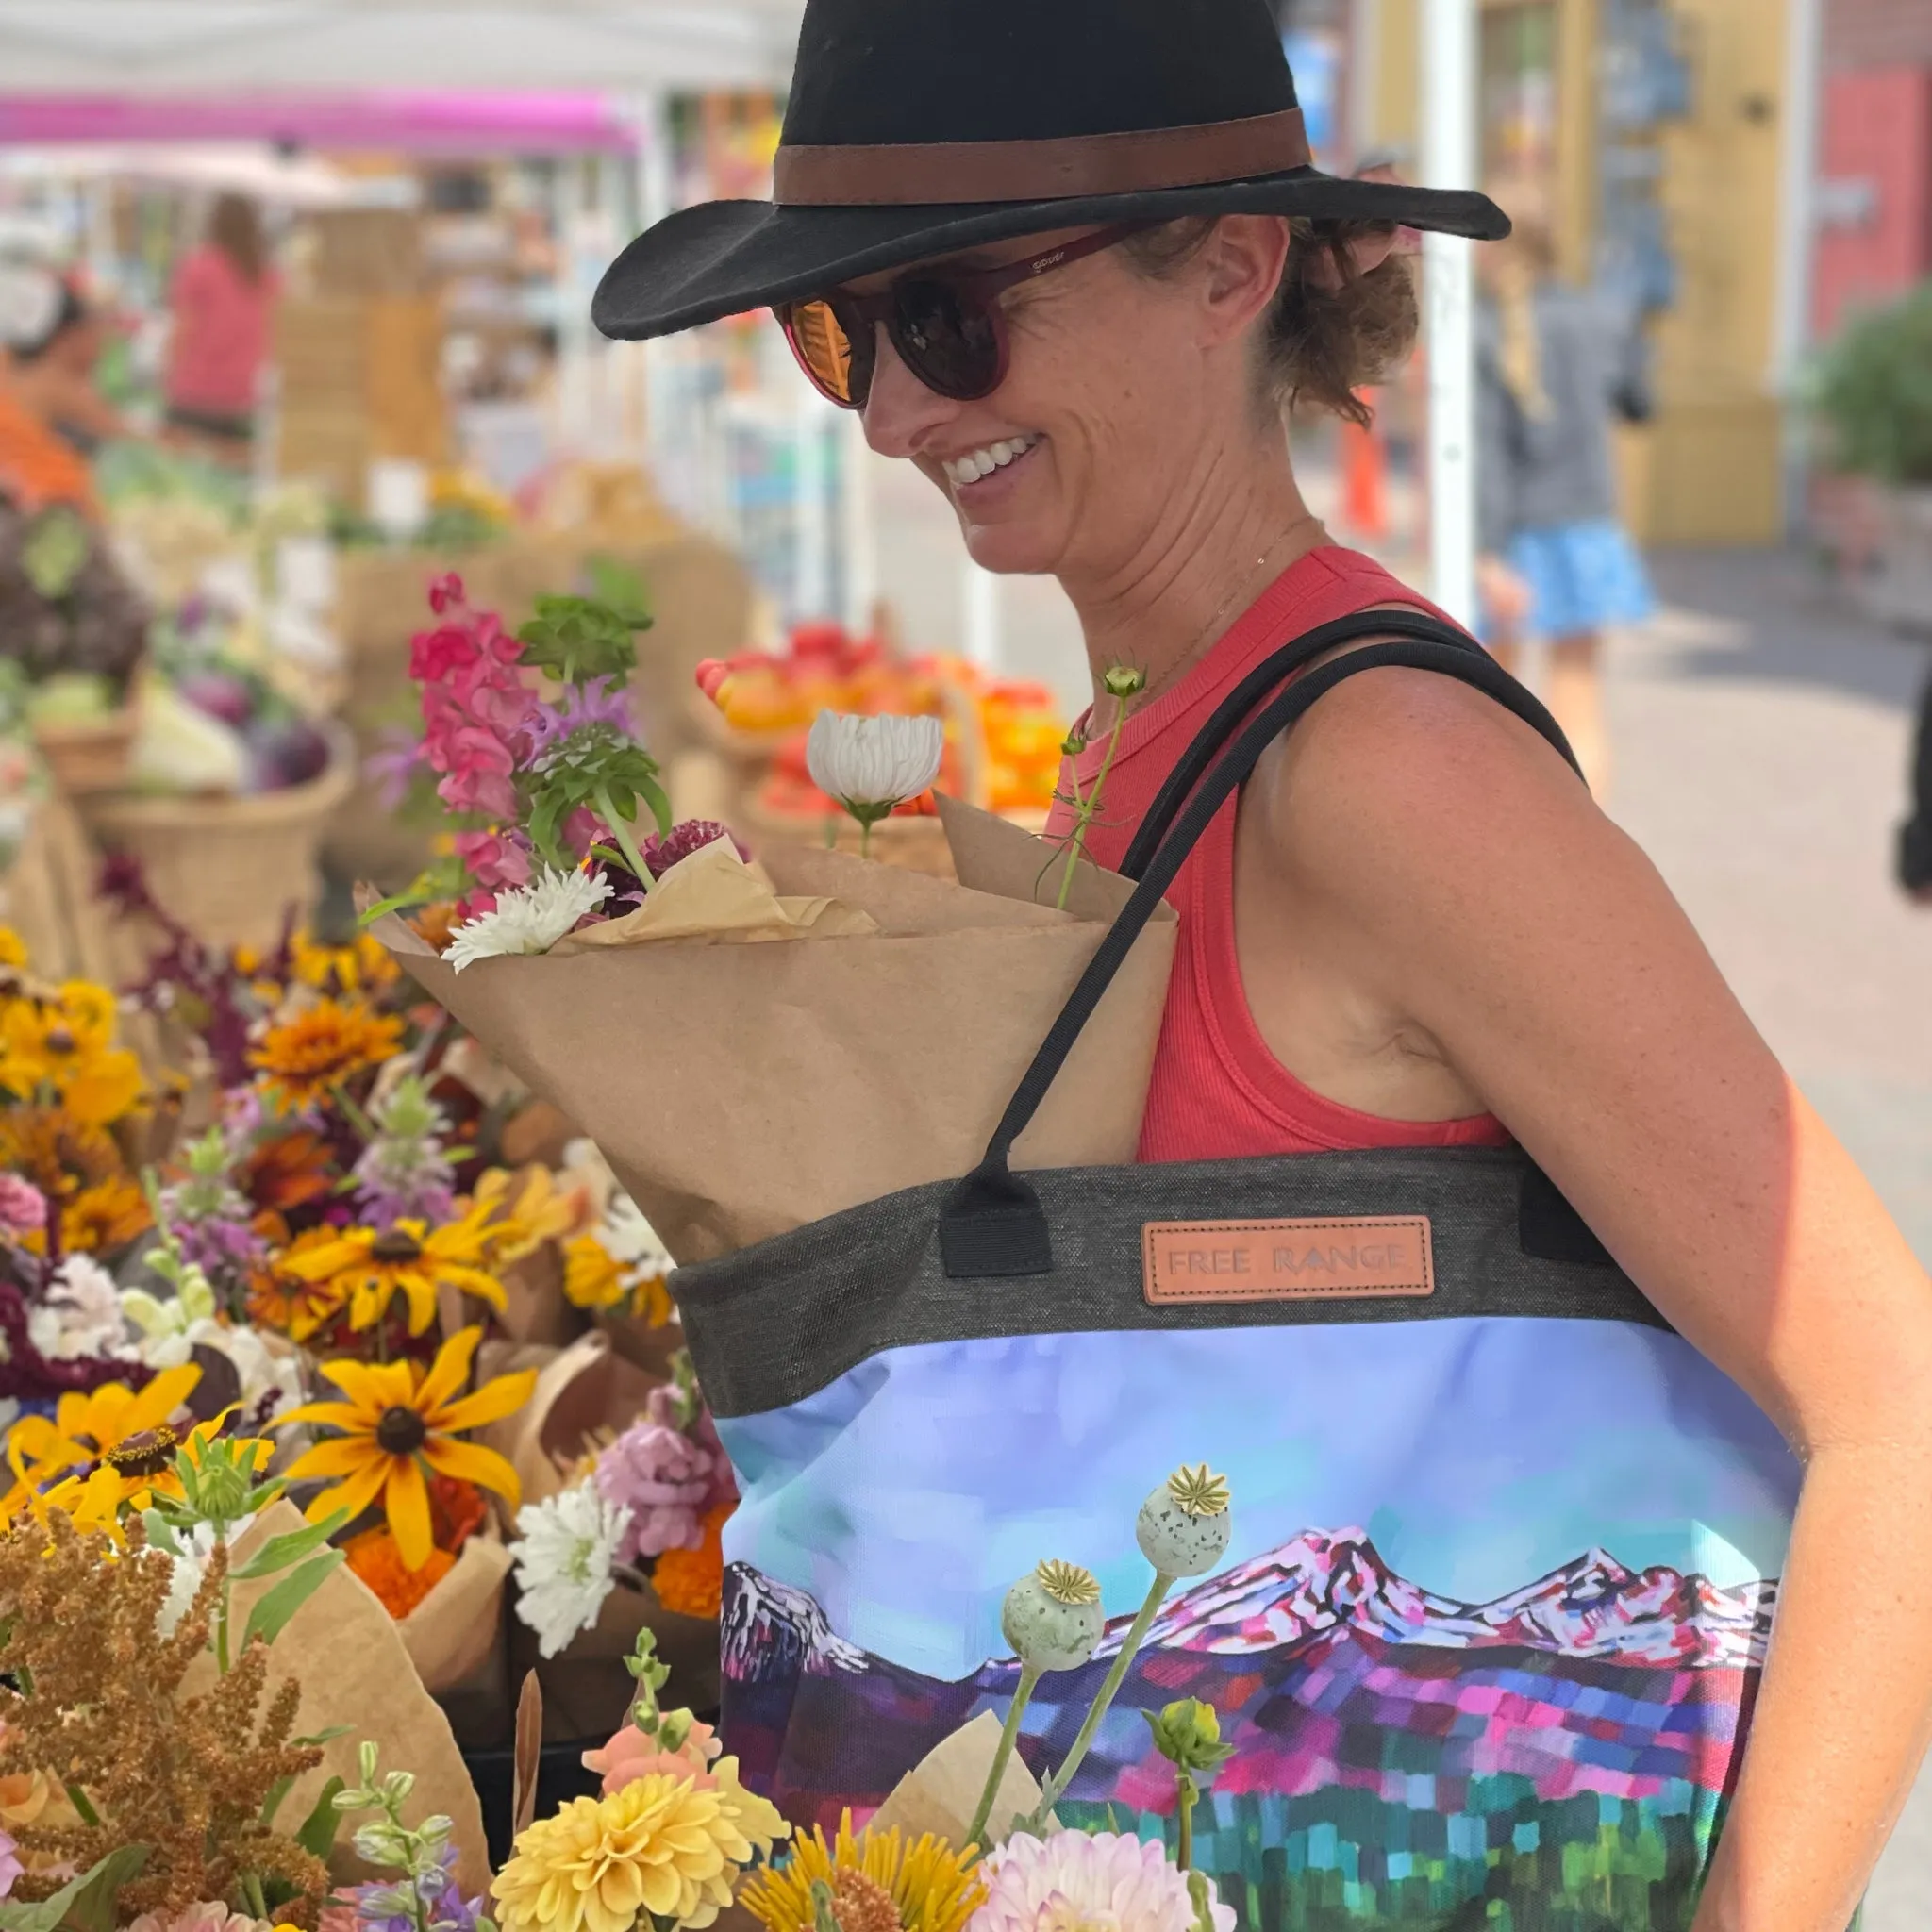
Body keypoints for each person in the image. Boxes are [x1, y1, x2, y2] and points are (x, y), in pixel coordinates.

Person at [596, 2, 1932, 1925]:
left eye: (950, 318)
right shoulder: (1145, 717)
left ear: (1227, 267)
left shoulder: (1381, 773)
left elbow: (1890, 1401)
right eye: (841, 333)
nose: (889, 410)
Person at [1474, 174, 1655, 797]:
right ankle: (1586, 848)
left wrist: (1487, 553)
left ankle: (1505, 850)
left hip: (1516, 538)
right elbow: (1639, 406)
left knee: (1495, 714)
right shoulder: (1601, 317)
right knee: (1579, 706)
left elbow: (1490, 456)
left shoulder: (1484, 330)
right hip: (1588, 529)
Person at [164, 193, 277, 456]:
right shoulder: (269, 275)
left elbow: (182, 330)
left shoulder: (198, 267)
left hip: (196, 393)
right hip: (247, 397)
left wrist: (168, 376)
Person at [0, 258, 110, 517]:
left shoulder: (12, 366)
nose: (101, 343)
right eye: (94, 330)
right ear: (67, 335)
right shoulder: (54, 382)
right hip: (43, 514)